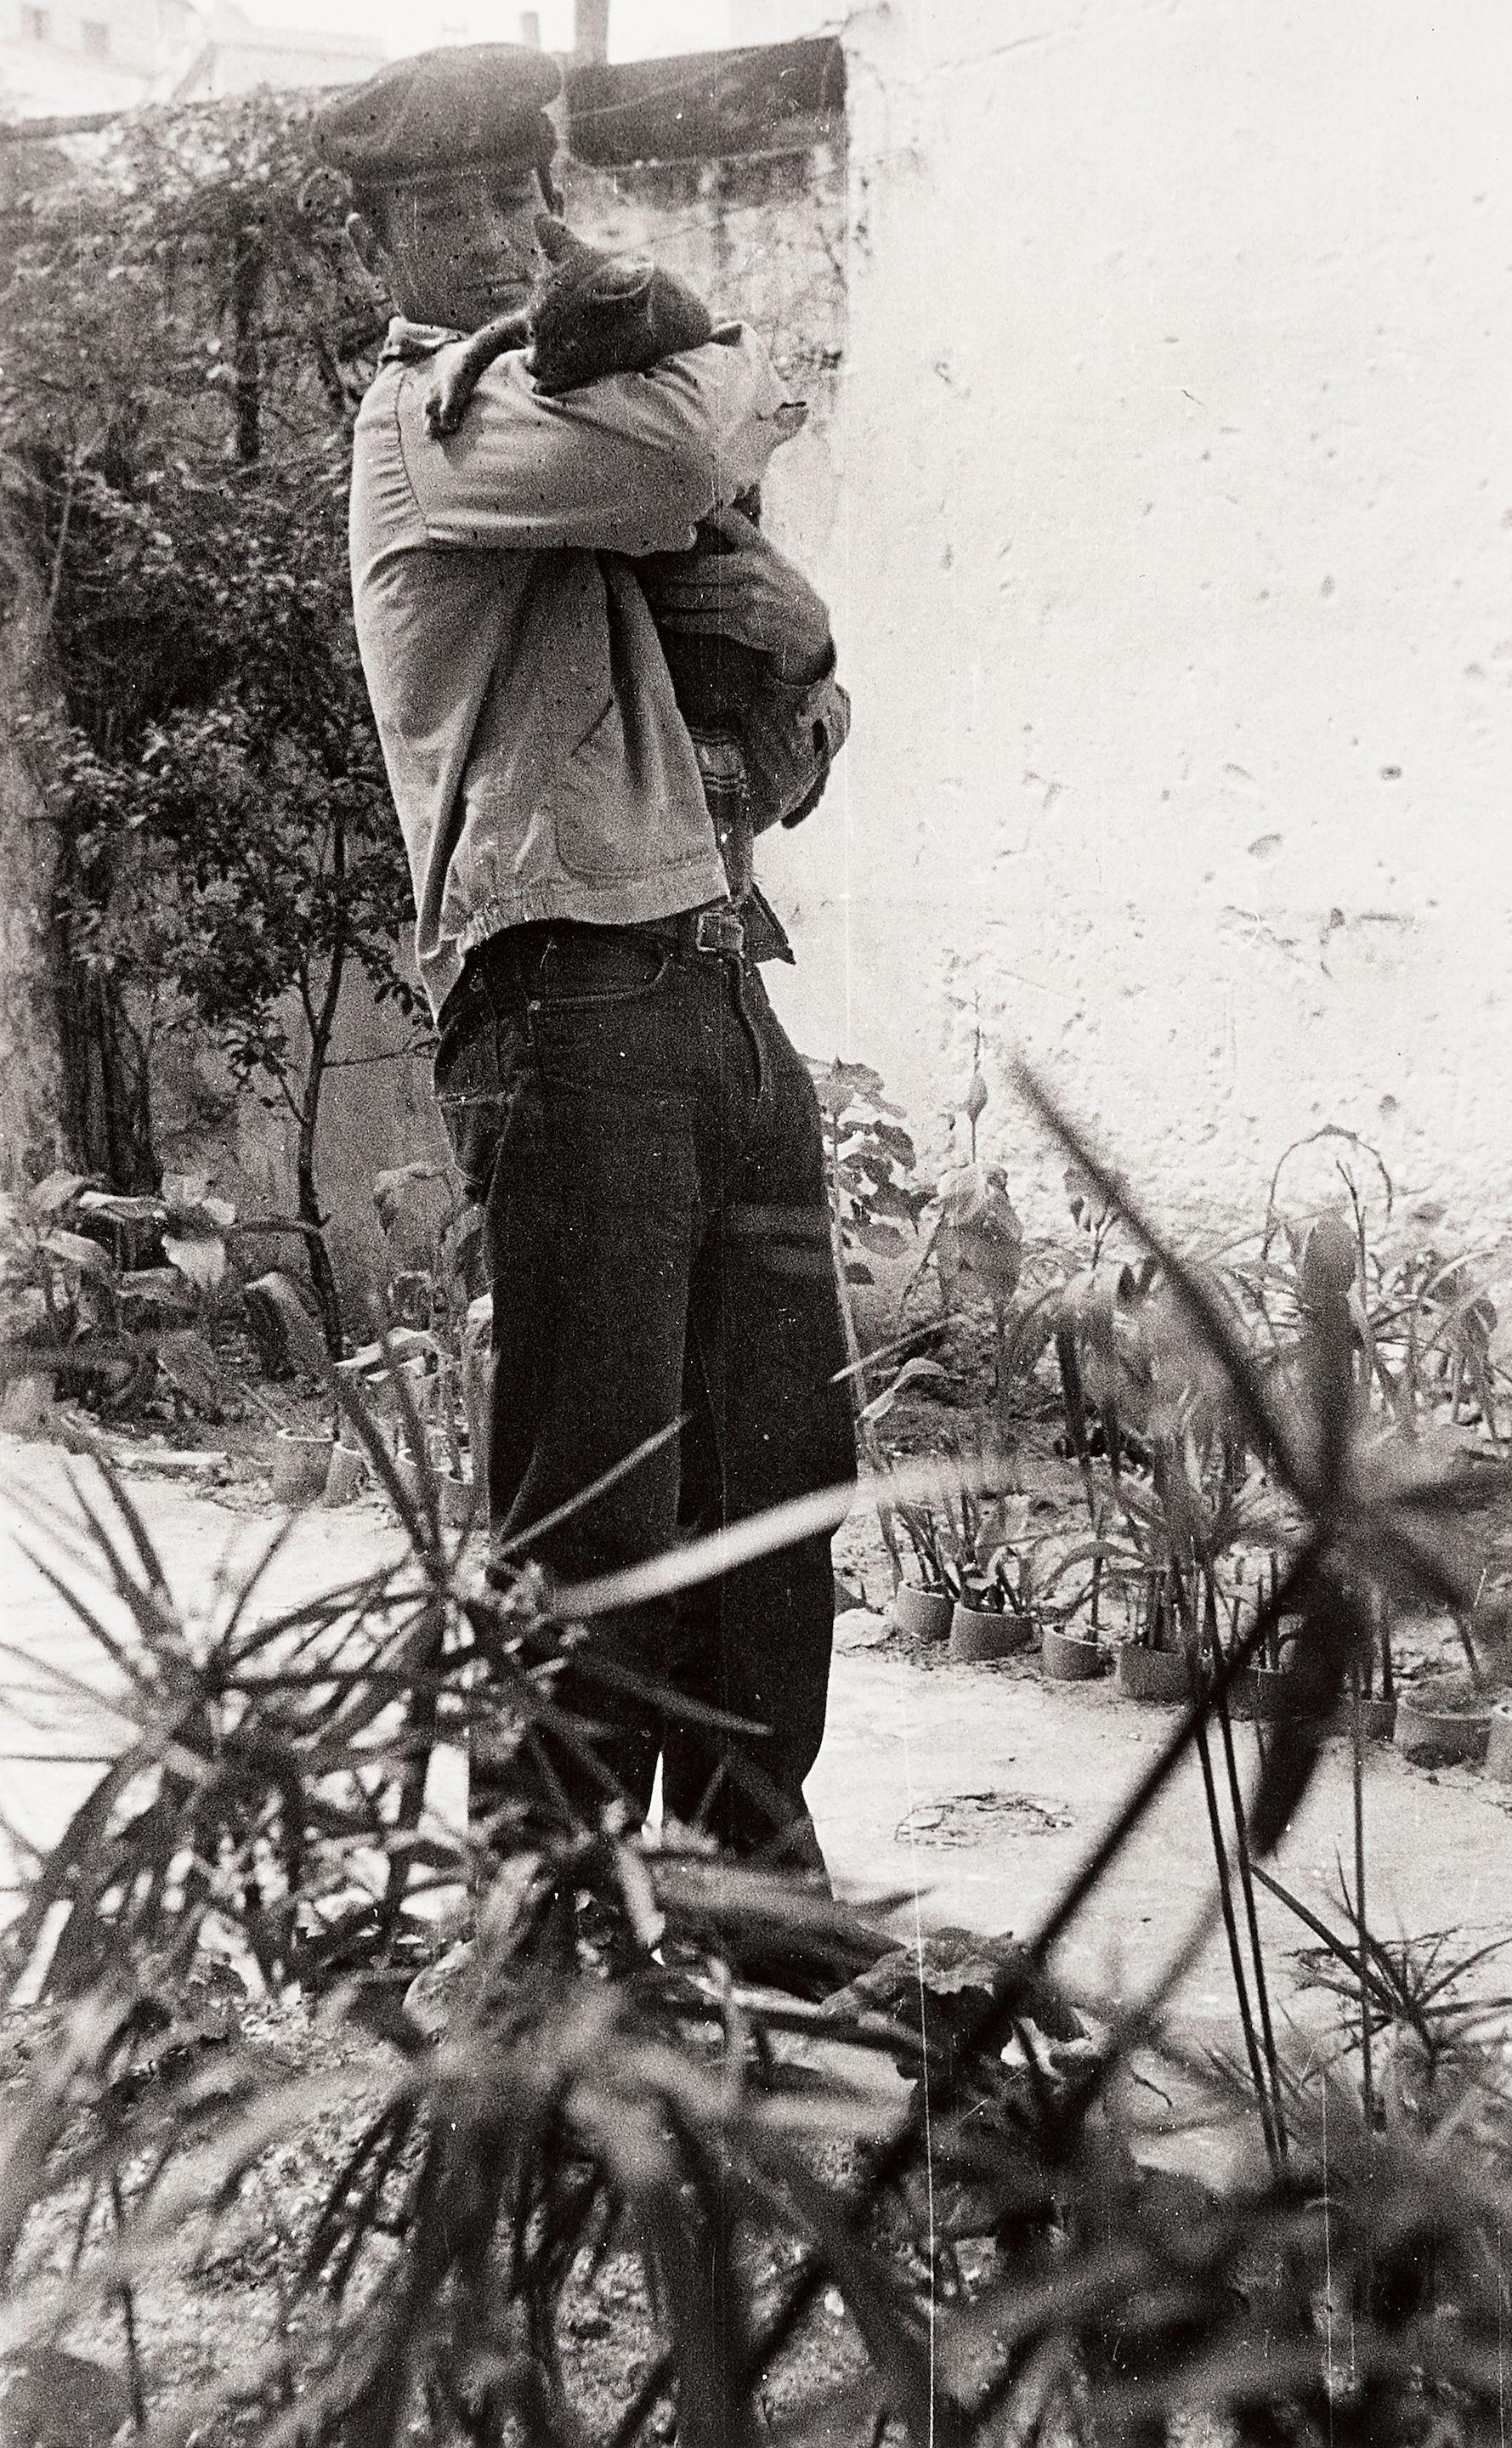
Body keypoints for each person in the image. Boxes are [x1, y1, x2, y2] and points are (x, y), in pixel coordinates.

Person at [312, 46, 857, 1878]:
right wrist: (730, 379)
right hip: (564, 998)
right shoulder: (431, 421)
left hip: (715, 980)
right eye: (437, 207)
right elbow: (708, 439)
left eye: (510, 191)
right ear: (378, 239)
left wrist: (802, 664)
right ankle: (545, 1928)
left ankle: (749, 1894)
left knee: (779, 1476)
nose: (485, 238)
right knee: (593, 1502)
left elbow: (765, 727)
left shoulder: (578, 403)